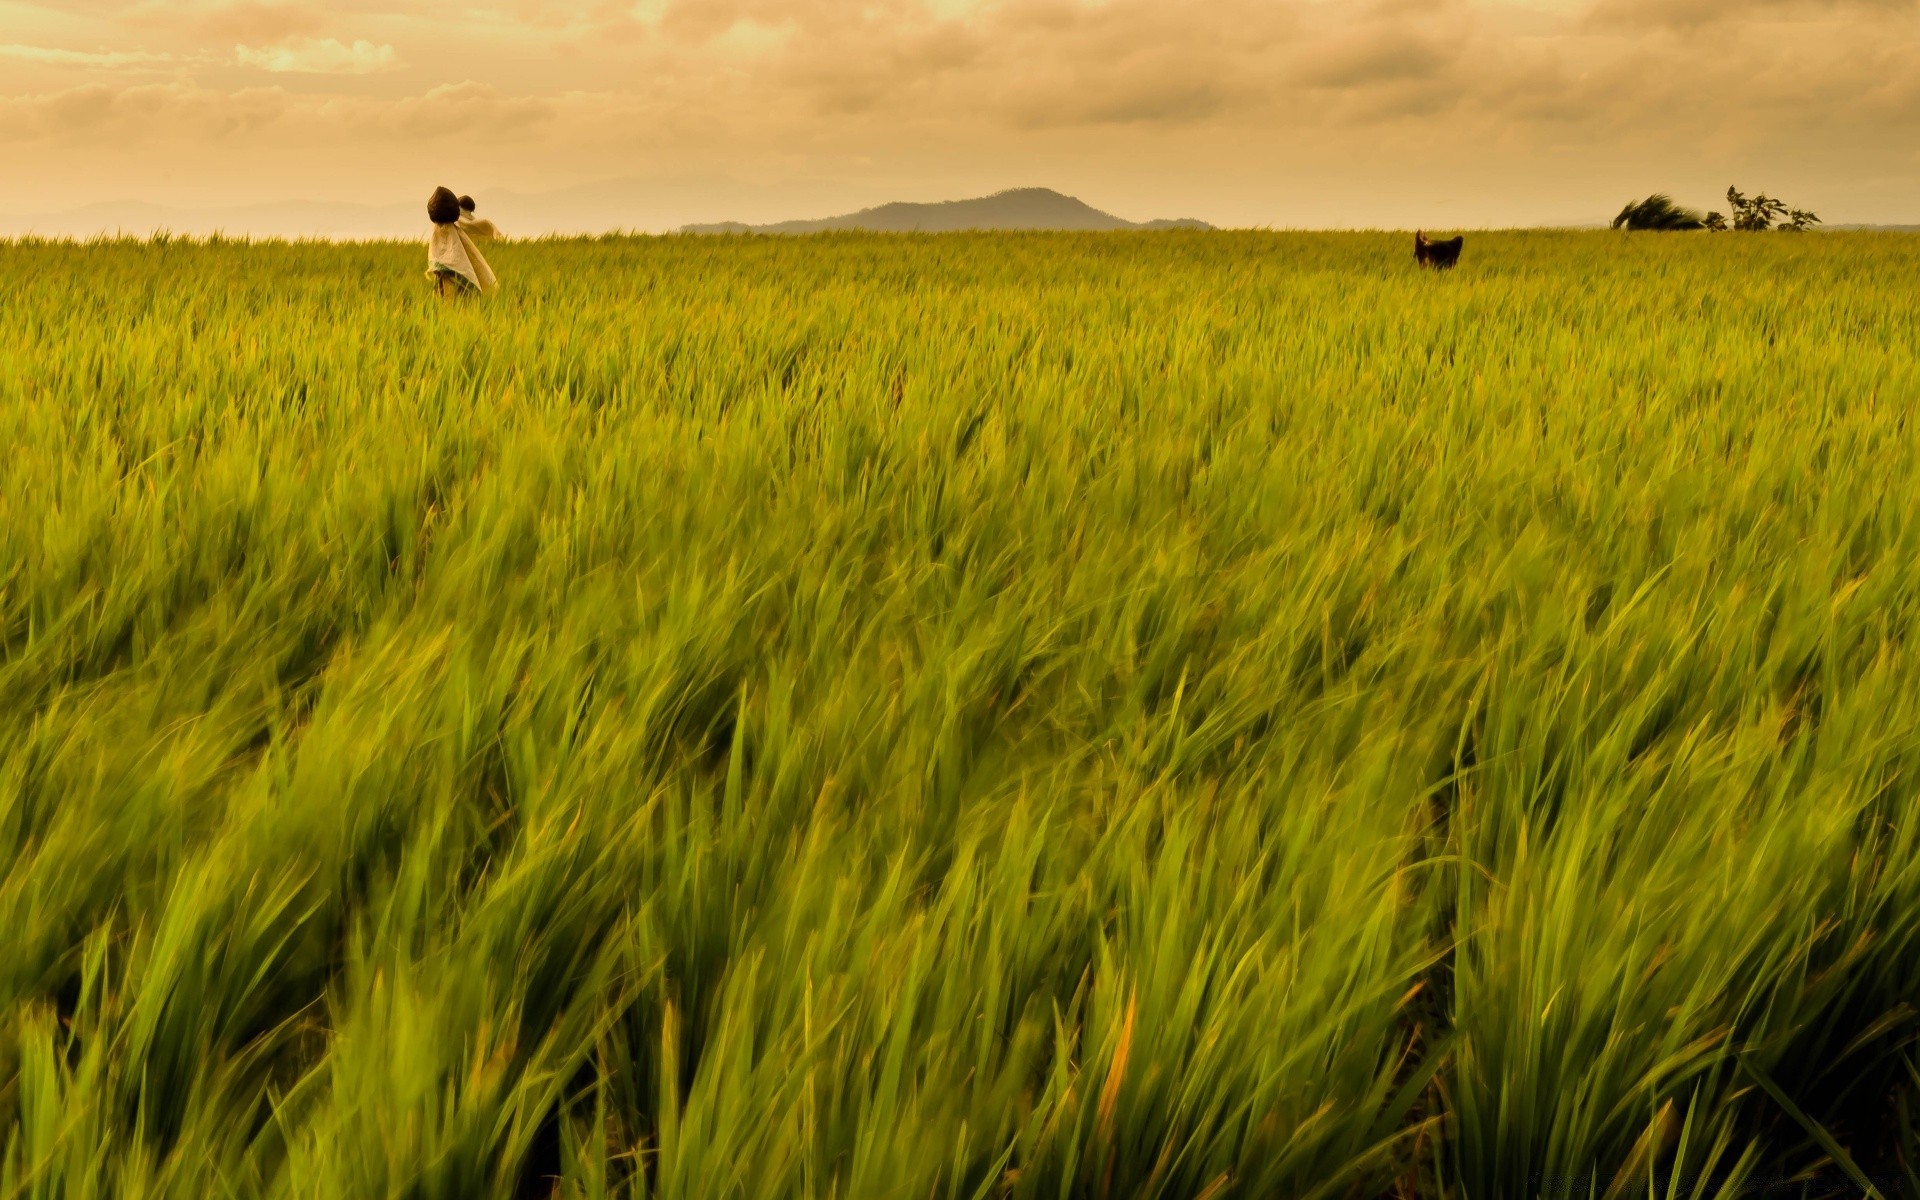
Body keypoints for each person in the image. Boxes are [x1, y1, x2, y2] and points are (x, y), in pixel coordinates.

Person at [426, 185, 496, 298]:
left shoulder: (439, 232)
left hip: (449, 280)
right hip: (455, 282)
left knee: (448, 297)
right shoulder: (452, 231)